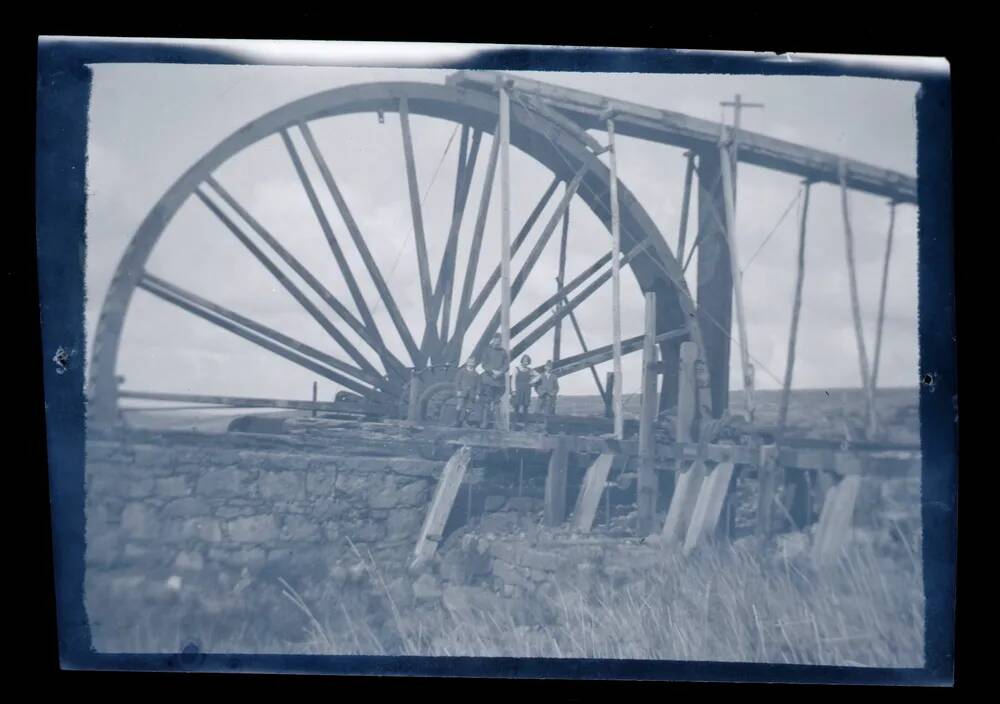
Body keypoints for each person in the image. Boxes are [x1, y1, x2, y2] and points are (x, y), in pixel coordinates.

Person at [479, 333, 509, 427]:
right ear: (493, 340)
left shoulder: (503, 352)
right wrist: (492, 372)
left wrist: (500, 372)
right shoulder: (487, 350)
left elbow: (506, 365)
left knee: (497, 402)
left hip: (499, 382)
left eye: (499, 341)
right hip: (488, 381)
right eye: (496, 340)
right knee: (487, 402)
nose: (498, 342)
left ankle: (498, 424)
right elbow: (484, 364)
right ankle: (485, 422)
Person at [511, 354, 539, 424]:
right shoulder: (516, 369)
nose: (526, 362)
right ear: (522, 361)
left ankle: (525, 423)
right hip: (518, 389)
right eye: (524, 361)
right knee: (516, 406)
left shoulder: (530, 370)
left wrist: (532, 381)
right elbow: (513, 380)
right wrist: (513, 390)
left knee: (525, 406)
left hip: (526, 389)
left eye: (527, 361)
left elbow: (539, 375)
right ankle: (515, 423)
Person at [454, 358, 480, 427]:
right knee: (459, 406)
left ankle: (464, 421)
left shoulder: (476, 374)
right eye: (470, 362)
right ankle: (456, 422)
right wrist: (458, 390)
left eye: (472, 362)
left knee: (469, 408)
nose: (471, 364)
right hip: (462, 392)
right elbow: (457, 382)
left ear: (474, 364)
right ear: (467, 363)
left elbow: (478, 385)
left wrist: (477, 394)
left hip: (472, 393)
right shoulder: (461, 371)